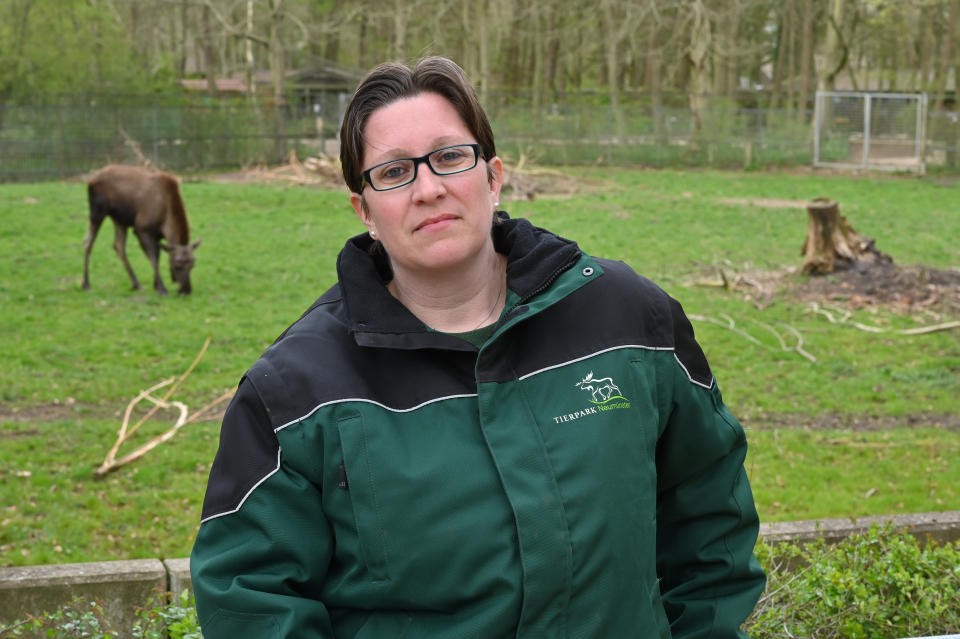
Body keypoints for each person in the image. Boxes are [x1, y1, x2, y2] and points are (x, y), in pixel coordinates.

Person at [190, 56, 766, 638]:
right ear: (364, 210)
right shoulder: (295, 391)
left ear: (492, 177)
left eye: (448, 158)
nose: (429, 189)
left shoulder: (630, 320)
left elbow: (709, 521)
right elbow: (251, 599)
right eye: (393, 172)